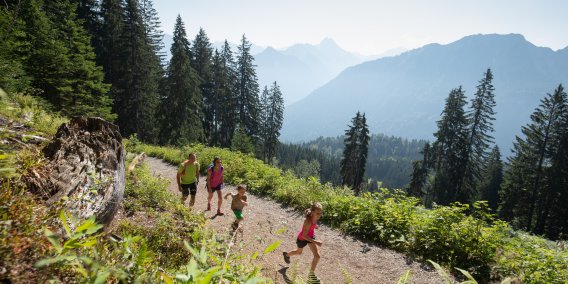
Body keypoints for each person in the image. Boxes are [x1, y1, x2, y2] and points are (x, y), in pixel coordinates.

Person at [282, 202, 323, 282]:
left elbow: (312, 225)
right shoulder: (307, 221)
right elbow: (304, 236)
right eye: (317, 213)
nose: (319, 215)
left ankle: (311, 276)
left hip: (310, 237)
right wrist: (316, 242)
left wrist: (315, 226)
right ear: (312, 212)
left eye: (320, 213)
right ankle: (286, 255)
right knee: (299, 252)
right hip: (302, 238)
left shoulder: (314, 217)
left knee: (317, 256)